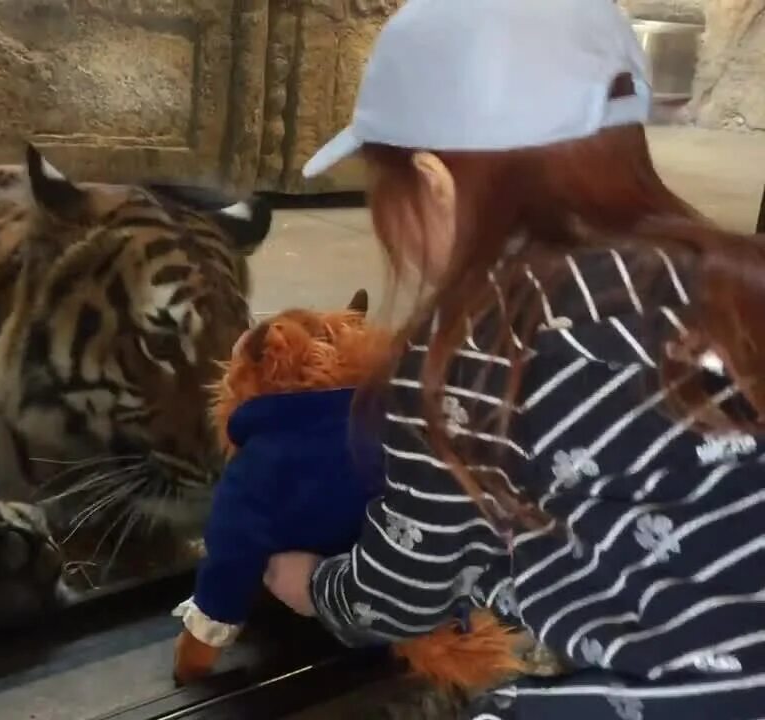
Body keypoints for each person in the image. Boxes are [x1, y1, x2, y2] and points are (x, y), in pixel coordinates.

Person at [261, 0, 765, 718]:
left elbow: (401, 593)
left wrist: (314, 588)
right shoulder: (731, 282)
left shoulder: (477, 349)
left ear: (435, 184)